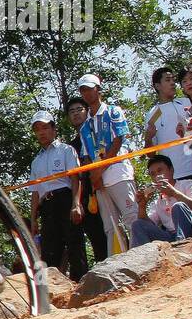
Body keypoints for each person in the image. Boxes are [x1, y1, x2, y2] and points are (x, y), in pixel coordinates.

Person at [76, 73, 137, 255]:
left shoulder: (113, 111)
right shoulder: (85, 126)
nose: (86, 93)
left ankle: (141, 256)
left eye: (89, 88)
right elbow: (86, 156)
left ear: (98, 89)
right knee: (110, 226)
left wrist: (99, 171)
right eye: (83, 90)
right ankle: (117, 264)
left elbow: (118, 141)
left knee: (131, 217)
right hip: (99, 181)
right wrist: (93, 176)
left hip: (119, 173)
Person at [27, 111, 86, 281]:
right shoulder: (36, 161)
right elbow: (35, 192)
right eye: (37, 129)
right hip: (46, 205)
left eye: (45, 127)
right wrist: (33, 220)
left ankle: (81, 284)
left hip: (65, 198)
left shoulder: (66, 150)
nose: (41, 132)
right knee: (49, 249)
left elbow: (75, 179)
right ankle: (52, 290)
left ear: (54, 129)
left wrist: (76, 204)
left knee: (74, 243)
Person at [65, 96, 108, 268]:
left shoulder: (99, 133)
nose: (75, 114)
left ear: (87, 111)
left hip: (105, 185)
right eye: (71, 111)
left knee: (112, 227)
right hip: (86, 196)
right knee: (95, 234)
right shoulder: (71, 147)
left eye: (79, 110)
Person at [130, 154, 192, 247]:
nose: (157, 176)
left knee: (178, 206)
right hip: (170, 237)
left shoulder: (187, 184)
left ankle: (181, 245)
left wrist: (174, 193)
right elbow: (147, 224)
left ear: (171, 170)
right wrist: (142, 206)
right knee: (137, 224)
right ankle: (143, 258)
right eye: (153, 174)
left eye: (160, 171)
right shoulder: (157, 201)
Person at [142, 67, 192, 182]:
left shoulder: (186, 102)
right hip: (175, 174)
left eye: (173, 80)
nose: (172, 83)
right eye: (167, 80)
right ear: (157, 86)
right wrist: (148, 139)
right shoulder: (153, 114)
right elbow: (151, 154)